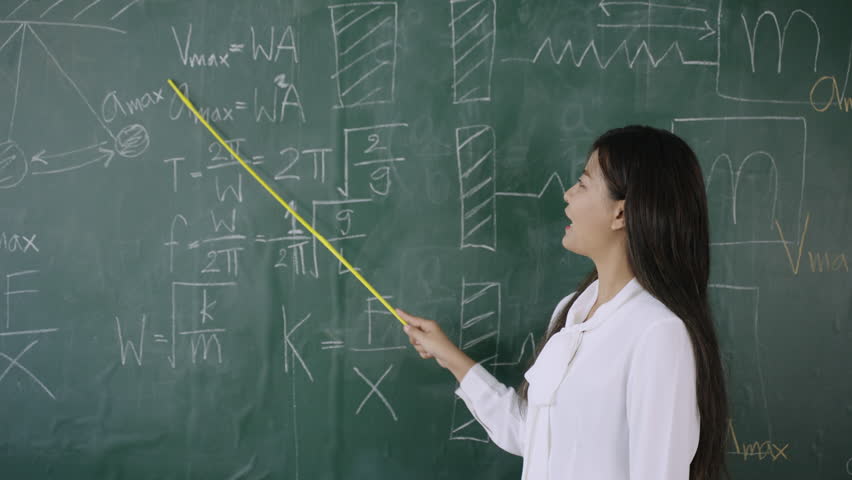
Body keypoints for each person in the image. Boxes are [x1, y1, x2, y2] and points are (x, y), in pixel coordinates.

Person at [397, 125, 729, 480]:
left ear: (621, 214)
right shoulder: (572, 311)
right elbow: (532, 434)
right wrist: (449, 356)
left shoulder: (657, 333)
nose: (568, 195)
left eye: (584, 184)